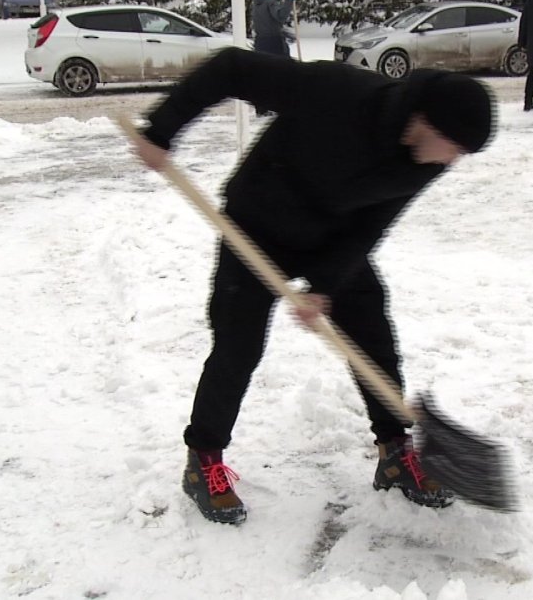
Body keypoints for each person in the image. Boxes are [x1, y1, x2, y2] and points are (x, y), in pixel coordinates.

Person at [125, 48, 496, 524]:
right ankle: (204, 460)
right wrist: (162, 130)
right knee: (238, 346)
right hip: (256, 227)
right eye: (456, 148)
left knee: (373, 336)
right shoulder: (336, 92)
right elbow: (230, 68)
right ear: (426, 122)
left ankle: (394, 452)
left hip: (331, 239)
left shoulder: (425, 161)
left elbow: (373, 224)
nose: (454, 161)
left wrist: (325, 285)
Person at [252, 0, 296, 114]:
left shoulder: (257, 2)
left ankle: (262, 108)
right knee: (282, 74)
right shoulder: (270, 2)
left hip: (260, 42)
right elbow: (280, 16)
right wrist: (289, 0)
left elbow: (267, 22)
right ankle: (282, 104)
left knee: (263, 75)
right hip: (273, 43)